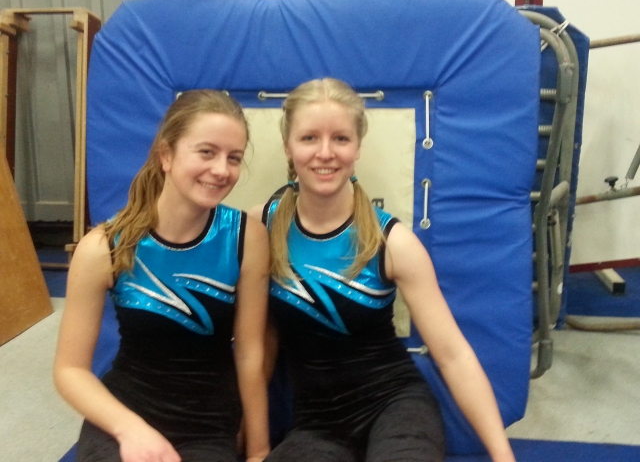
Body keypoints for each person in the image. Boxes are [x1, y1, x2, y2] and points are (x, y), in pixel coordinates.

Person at [250, 78, 516, 462]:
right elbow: (259, 343)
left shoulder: (392, 242)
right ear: (288, 146)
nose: (325, 153)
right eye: (309, 138)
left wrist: (503, 455)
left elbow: (453, 354)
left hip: (395, 407)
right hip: (316, 424)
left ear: (358, 146)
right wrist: (251, 442)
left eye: (340, 138)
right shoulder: (261, 228)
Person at [54, 90, 270, 462]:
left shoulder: (246, 238)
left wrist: (258, 451)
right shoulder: (104, 248)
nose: (222, 170)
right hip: (126, 413)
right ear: (166, 155)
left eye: (233, 158)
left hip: (207, 424)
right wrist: (130, 430)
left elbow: (250, 354)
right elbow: (70, 370)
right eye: (207, 152)